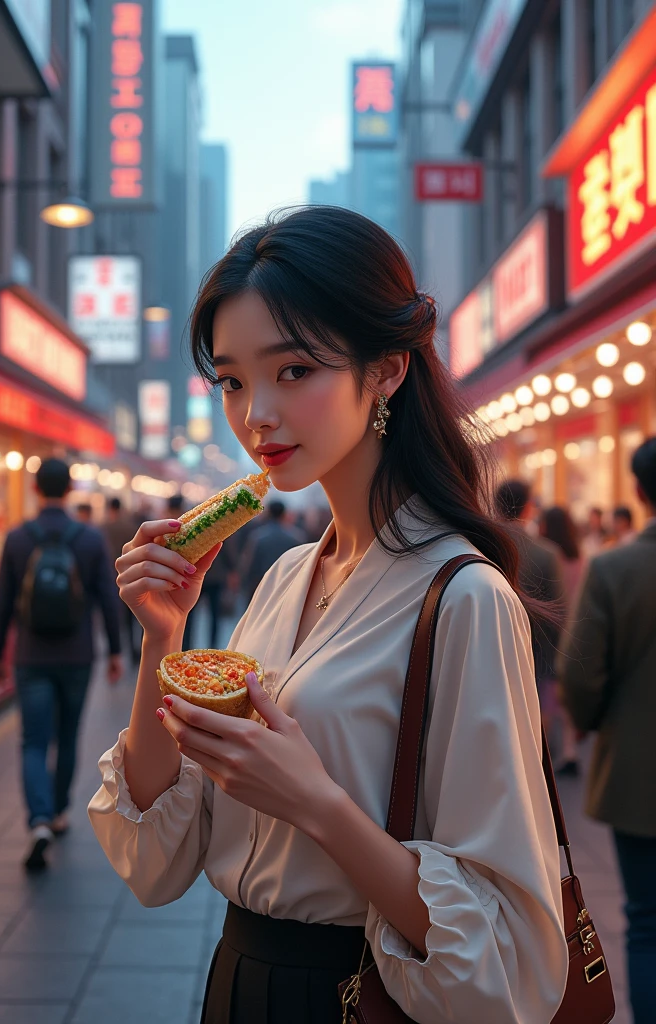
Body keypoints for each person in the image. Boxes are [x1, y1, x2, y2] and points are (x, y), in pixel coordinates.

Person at [90, 207, 567, 1023]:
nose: (256, 416)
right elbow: (157, 862)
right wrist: (161, 637)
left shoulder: (465, 597)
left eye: (293, 370)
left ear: (384, 371)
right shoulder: (283, 577)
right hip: (239, 982)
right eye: (234, 380)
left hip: (363, 995)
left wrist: (315, 801)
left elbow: (507, 954)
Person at [559, 436, 656, 1024]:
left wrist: (593, 726)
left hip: (639, 774)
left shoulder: (616, 569)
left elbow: (581, 672)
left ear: (639, 492)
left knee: (645, 920)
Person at [0, 458, 122, 871]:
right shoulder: (87, 538)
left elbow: (3, 602)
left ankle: (39, 819)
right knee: (67, 734)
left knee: (32, 740)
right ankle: (61, 810)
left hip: (31, 655)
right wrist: (116, 651)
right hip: (77, 654)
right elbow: (107, 596)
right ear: (69, 490)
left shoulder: (16, 538)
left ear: (34, 488)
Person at [493, 480, 564, 688]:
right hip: (535, 660)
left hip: (487, 653)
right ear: (528, 508)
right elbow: (560, 615)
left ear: (497, 506)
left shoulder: (477, 546)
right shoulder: (546, 554)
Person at [539, 506, 586, 776]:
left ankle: (543, 752)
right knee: (564, 694)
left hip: (551, 630)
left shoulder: (546, 557)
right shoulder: (580, 558)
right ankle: (569, 751)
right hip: (576, 630)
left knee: (547, 692)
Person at [240, 499, 305, 601]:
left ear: (268, 513)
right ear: (284, 514)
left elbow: (251, 565)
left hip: (262, 585)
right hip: (286, 586)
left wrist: (246, 584)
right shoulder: (296, 537)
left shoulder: (257, 537)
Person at [103, 497, 139, 661]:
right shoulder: (130, 528)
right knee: (133, 618)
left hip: (109, 578)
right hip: (130, 577)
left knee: (113, 616)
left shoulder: (103, 528)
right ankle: (133, 650)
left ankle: (114, 649)